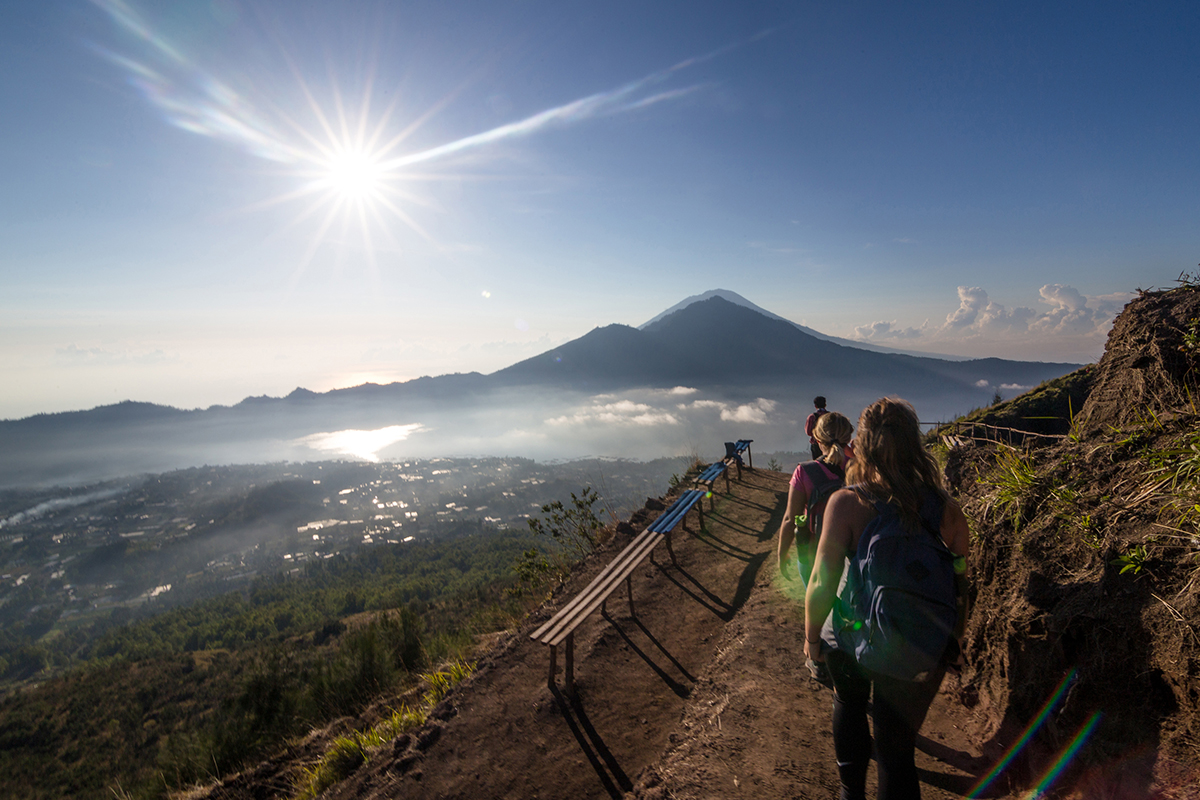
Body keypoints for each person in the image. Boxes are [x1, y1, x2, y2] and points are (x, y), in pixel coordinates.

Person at [804, 397, 970, 800]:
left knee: (849, 703)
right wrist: (951, 637)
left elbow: (822, 583)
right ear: (915, 444)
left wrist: (812, 642)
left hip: (850, 635)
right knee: (898, 753)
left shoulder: (846, 503)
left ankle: (850, 792)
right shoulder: (948, 512)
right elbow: (960, 584)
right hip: (913, 641)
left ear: (861, 446)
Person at [777, 410, 854, 588]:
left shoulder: (804, 472)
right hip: (852, 552)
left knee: (818, 602)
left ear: (818, 440)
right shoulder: (862, 469)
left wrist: (782, 554)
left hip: (814, 552)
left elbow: (790, 518)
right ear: (849, 437)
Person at [805, 396, 828, 461]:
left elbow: (808, 432)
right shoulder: (831, 416)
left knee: (817, 463)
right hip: (829, 443)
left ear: (815, 406)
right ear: (825, 405)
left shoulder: (812, 417)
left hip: (816, 444)